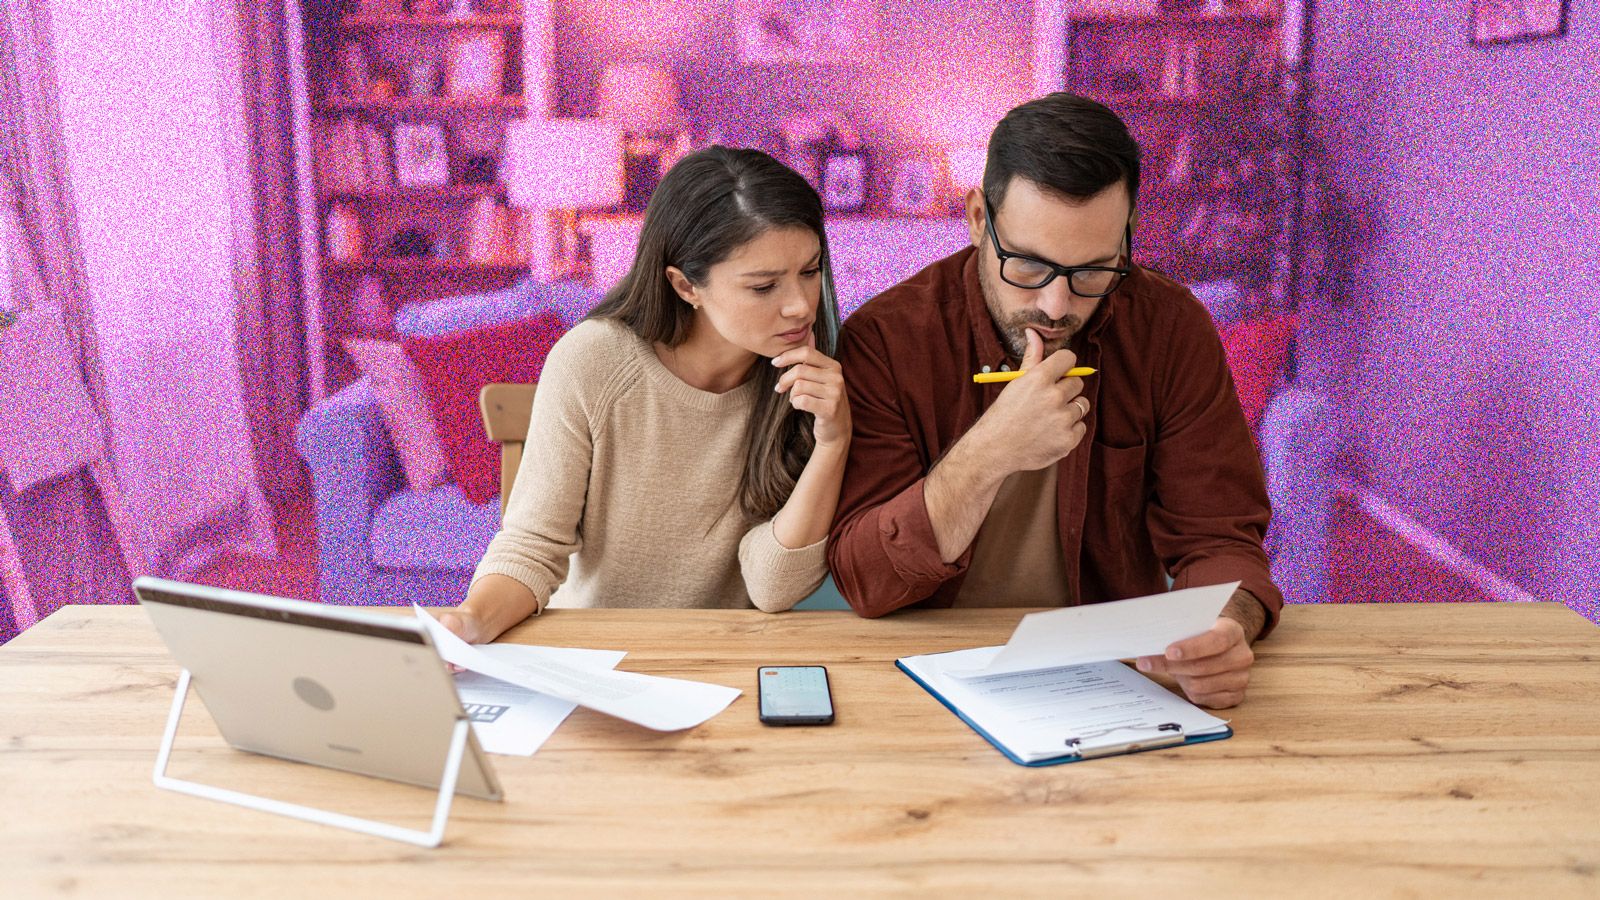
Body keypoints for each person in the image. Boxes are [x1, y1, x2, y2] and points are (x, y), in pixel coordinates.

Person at [827, 93, 1282, 709]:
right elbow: (866, 578)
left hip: (1111, 681)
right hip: (918, 675)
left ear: (1125, 241)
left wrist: (1223, 628)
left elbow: (1222, 540)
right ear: (978, 221)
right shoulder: (888, 340)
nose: (1058, 305)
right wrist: (988, 453)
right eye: (1031, 266)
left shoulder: (1169, 329)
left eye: (1094, 270)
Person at [441, 147, 849, 644]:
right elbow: (532, 547)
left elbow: (770, 587)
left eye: (810, 271)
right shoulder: (593, 362)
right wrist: (469, 622)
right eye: (764, 287)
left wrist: (832, 443)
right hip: (594, 655)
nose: (800, 305)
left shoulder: (812, 377)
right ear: (684, 286)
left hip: (724, 657)